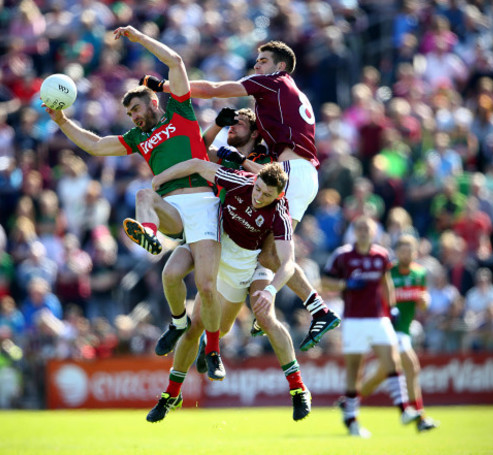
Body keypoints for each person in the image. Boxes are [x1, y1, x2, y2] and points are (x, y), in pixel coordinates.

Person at [43, 25, 224, 378]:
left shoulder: (180, 112)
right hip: (171, 208)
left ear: (153, 101)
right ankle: (157, 254)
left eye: (138, 109)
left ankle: (213, 351)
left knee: (201, 284)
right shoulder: (138, 137)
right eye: (130, 114)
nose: (135, 117)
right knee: (145, 196)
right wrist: (63, 120)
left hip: (203, 204)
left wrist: (138, 38)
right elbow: (95, 145)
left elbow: (175, 61)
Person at [143, 40, 340, 350]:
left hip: (290, 170)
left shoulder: (273, 82)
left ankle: (310, 308)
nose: (256, 66)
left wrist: (165, 85)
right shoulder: (287, 95)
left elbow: (213, 88)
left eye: (263, 61)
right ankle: (312, 309)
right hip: (303, 173)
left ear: (280, 66)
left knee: (273, 252)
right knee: (270, 253)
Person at [146, 159, 310, 423]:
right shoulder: (240, 180)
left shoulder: (280, 212)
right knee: (194, 322)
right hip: (210, 242)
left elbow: (288, 263)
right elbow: (198, 164)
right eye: (258, 189)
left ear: (279, 195)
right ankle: (171, 394)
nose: (259, 197)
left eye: (267, 195)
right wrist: (160, 178)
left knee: (237, 324)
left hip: (241, 265)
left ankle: (299, 389)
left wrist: (270, 291)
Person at [324, 216, 420, 438]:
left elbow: (386, 283)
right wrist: (345, 284)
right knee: (355, 370)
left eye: (367, 228)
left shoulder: (382, 255)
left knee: (392, 360)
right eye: (359, 228)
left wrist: (392, 307)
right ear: (354, 232)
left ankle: (404, 410)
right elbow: (325, 281)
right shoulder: (343, 255)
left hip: (378, 317)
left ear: (375, 231)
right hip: (354, 319)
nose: (364, 231)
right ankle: (351, 418)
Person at [358, 235, 438, 432]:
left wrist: (425, 300)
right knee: (411, 365)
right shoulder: (388, 272)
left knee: (383, 373)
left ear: (416, 252)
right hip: (387, 328)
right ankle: (420, 416)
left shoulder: (419, 273)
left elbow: (423, 300)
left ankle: (351, 400)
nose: (406, 253)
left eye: (409, 249)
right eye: (402, 250)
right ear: (396, 252)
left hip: (404, 330)